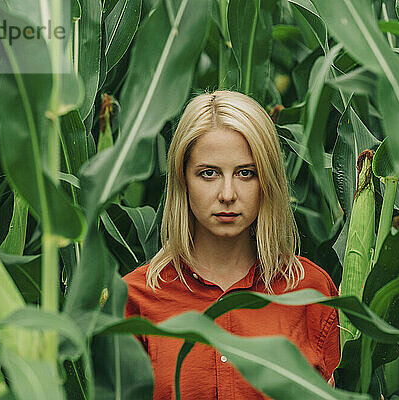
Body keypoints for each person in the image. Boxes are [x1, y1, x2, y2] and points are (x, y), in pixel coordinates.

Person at [123, 90, 340, 400]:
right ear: (183, 179)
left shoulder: (310, 292)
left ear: (267, 180)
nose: (227, 194)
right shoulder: (136, 298)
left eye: (245, 173)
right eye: (208, 173)